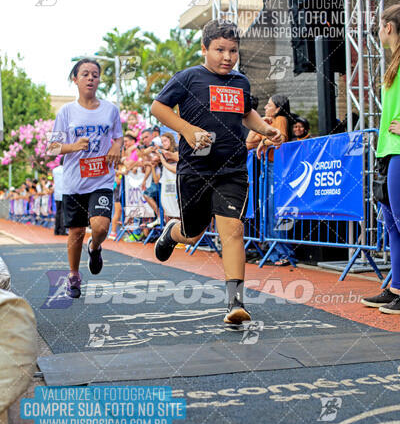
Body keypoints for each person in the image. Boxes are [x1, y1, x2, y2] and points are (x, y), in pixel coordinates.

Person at [150, 19, 282, 324]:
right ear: (204, 49)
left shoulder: (241, 82)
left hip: (232, 168)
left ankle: (235, 302)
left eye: (232, 50)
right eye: (220, 50)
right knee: (194, 231)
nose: (227, 57)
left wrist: (265, 130)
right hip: (195, 169)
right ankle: (173, 233)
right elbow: (158, 108)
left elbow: (245, 112)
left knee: (233, 230)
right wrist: (186, 129)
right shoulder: (188, 78)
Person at [48, 58, 123, 298]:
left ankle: (96, 247)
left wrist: (116, 147)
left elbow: (119, 137)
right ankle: (73, 275)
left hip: (101, 178)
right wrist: (74, 146)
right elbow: (53, 148)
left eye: (95, 74)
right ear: (75, 79)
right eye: (85, 74)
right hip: (74, 181)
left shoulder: (110, 109)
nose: (91, 78)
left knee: (100, 227)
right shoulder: (66, 111)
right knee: (76, 232)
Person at [361, 4, 400, 314]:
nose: (377, 30)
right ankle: (396, 286)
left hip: (398, 150)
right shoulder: (393, 63)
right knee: (391, 225)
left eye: (379, 24)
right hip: (386, 150)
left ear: (388, 27)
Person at [247, 94, 296, 266]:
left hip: (278, 168)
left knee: (276, 211)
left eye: (269, 105)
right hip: (268, 168)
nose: (265, 107)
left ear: (278, 108)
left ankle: (284, 253)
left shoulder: (281, 119)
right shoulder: (267, 121)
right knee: (267, 210)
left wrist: (265, 142)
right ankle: (273, 251)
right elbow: (248, 143)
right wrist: (259, 124)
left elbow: (281, 138)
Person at [52, 160, 66, 235]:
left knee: (58, 212)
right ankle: (62, 230)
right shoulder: (66, 169)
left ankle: (56, 230)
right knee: (63, 212)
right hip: (64, 193)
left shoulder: (54, 170)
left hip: (57, 193)